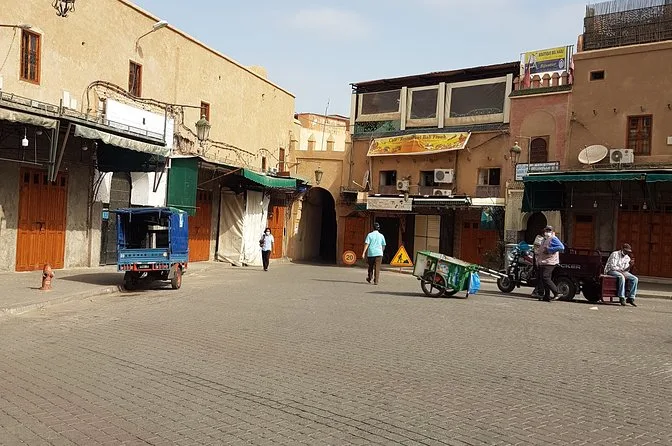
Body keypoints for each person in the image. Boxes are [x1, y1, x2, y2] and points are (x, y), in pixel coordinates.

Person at [537, 225, 565, 302]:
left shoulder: (553, 238)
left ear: (552, 231)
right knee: (544, 279)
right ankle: (546, 296)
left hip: (550, 262)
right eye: (546, 230)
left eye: (549, 230)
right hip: (543, 262)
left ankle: (557, 292)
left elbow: (561, 247)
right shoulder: (544, 239)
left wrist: (550, 250)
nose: (547, 232)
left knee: (545, 277)